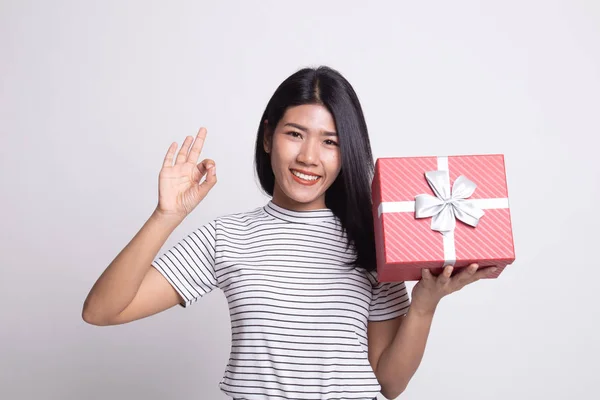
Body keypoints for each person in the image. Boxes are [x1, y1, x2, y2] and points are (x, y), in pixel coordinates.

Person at [82, 66, 495, 400]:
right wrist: (166, 215)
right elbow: (101, 311)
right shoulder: (225, 237)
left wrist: (423, 305)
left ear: (346, 152)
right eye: (294, 134)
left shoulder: (373, 242)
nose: (308, 157)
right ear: (268, 137)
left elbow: (390, 384)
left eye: (330, 141)